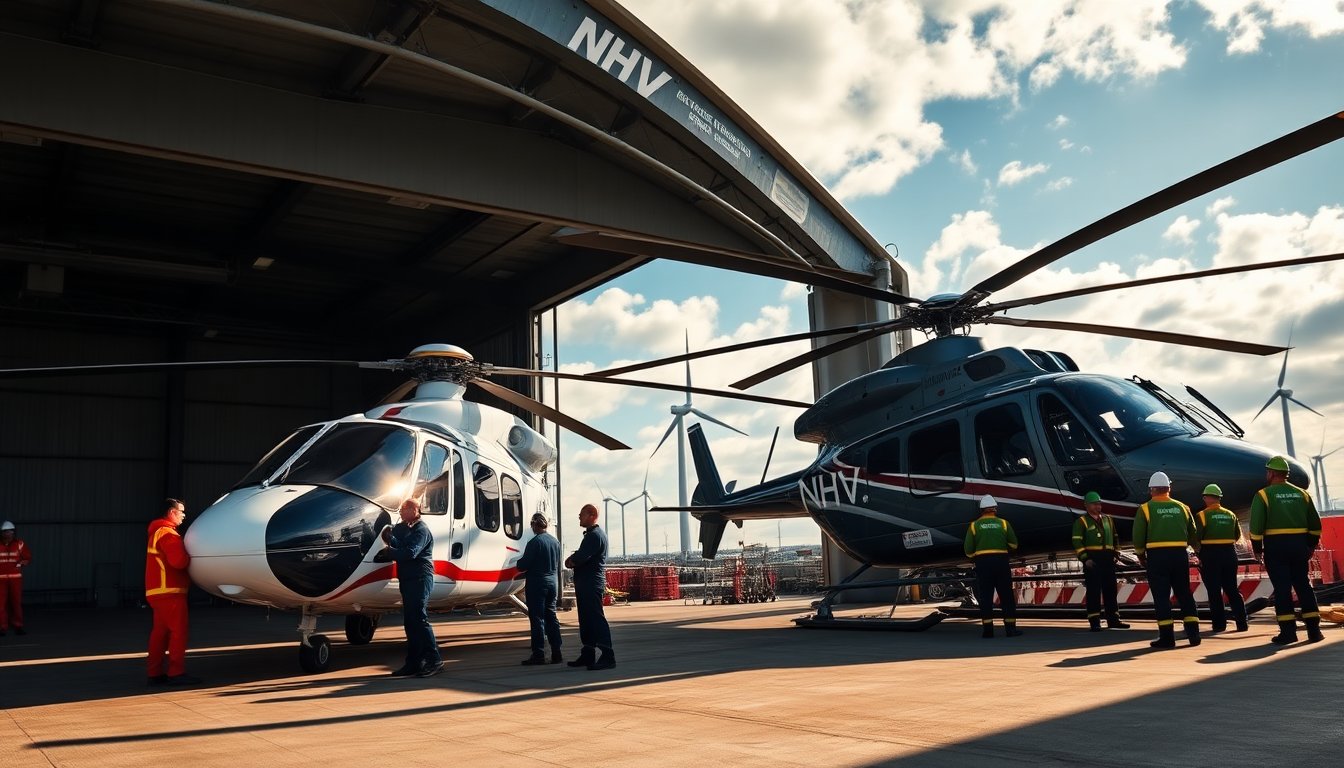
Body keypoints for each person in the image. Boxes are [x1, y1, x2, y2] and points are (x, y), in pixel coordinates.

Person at [1249, 456, 1323, 645]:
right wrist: (1310, 546)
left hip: (1276, 546)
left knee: (1282, 589)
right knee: (1303, 586)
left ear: (1272, 473)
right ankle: (1314, 631)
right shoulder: (1303, 494)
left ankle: (1288, 633)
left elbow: (1256, 527)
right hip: (1300, 545)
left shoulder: (1263, 495)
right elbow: (1315, 525)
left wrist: (1257, 549)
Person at [1131, 472, 1200, 649]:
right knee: (1184, 593)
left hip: (1157, 556)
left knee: (1161, 597)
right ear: (1169, 488)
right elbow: (1193, 534)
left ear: (1151, 490)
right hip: (1179, 555)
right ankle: (1194, 635)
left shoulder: (1145, 509)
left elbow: (1138, 537)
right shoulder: (1183, 508)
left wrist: (1140, 555)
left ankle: (1167, 638)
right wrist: (1197, 551)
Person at [382, 498, 443, 677]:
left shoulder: (421, 530)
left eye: (403, 509)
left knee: (419, 618)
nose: (400, 512)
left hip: (420, 578)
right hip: (408, 579)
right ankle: (414, 662)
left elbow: (410, 552)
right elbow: (402, 546)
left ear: (415, 509)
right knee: (410, 621)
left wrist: (389, 552)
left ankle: (434, 660)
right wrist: (389, 538)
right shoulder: (406, 528)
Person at [146, 499, 200, 685]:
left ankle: (154, 673)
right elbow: (178, 562)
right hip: (170, 592)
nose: (184, 515)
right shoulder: (169, 534)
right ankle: (176, 672)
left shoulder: (156, 533)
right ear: (171, 512)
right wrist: (189, 556)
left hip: (157, 592)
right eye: (181, 511)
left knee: (159, 634)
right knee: (178, 632)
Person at [564, 503, 615, 670]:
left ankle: (607, 655)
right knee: (586, 619)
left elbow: (580, 557)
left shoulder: (594, 536)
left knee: (595, 618)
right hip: (587, 583)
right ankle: (588, 653)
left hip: (590, 583)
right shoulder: (593, 535)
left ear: (592, 515)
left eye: (582, 514)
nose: (579, 517)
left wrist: (571, 560)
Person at [963, 495, 1022, 638]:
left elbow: (968, 551)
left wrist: (978, 555)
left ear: (981, 510)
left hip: (983, 564)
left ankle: (988, 631)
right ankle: (1010, 629)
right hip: (1001, 562)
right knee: (1006, 596)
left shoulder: (974, 525)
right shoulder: (1003, 524)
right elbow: (1014, 544)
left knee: (986, 597)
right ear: (995, 509)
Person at [1194, 483, 1249, 633]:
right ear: (1219, 498)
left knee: (1214, 591)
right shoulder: (1231, 515)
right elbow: (1237, 535)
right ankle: (1242, 623)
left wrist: (1199, 553)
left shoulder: (1202, 516)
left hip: (1210, 555)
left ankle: (1219, 625)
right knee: (1231, 589)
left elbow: (1195, 538)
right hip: (1229, 554)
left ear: (1207, 498)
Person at [1071, 492, 1128, 632]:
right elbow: (1077, 541)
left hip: (1108, 558)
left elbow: (1115, 537)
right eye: (1095, 504)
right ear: (1086, 505)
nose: (1098, 506)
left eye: (1099, 504)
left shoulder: (1108, 519)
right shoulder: (1081, 522)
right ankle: (1094, 621)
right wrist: (1085, 558)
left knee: (1110, 589)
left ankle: (1113, 619)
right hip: (1093, 560)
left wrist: (1116, 553)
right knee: (1093, 591)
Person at [515, 512, 563, 665]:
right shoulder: (555, 542)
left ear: (534, 525)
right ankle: (557, 652)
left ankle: (539, 654)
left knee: (537, 619)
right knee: (551, 617)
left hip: (537, 584)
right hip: (552, 583)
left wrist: (517, 562)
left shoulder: (534, 543)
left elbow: (523, 565)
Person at [0, 520, 32, 637]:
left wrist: (21, 563)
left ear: (13, 533)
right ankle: (2, 627)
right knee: (0, 604)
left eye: (10, 532)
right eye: (5, 532)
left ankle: (18, 626)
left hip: (15, 579)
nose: (7, 534)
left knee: (16, 603)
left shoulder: (20, 544)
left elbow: (27, 558)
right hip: (1, 579)